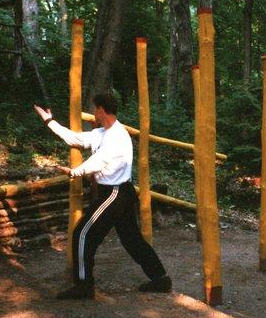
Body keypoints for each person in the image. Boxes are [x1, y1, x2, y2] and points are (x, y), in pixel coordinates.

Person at [33, 92, 172, 299]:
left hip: (115, 193)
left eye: (94, 108)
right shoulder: (101, 133)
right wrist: (49, 121)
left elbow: (100, 160)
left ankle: (84, 286)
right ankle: (161, 279)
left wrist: (75, 172)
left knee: (82, 234)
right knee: (132, 240)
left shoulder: (118, 135)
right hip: (118, 193)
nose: (93, 113)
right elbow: (74, 138)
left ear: (101, 110)